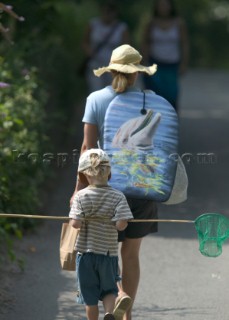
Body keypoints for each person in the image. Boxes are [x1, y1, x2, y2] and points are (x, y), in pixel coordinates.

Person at [70, 44, 158, 320]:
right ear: (136, 74)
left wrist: (78, 191)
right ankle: (126, 313)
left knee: (101, 251)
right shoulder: (150, 99)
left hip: (104, 189)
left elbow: (87, 150)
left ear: (110, 71)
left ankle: (113, 299)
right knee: (130, 254)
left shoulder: (95, 99)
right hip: (142, 187)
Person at [69, 148, 133, 320]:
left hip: (86, 255)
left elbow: (75, 224)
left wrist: (77, 218)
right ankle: (109, 313)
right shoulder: (118, 197)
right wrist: (116, 221)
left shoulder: (81, 197)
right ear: (108, 173)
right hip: (108, 253)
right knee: (109, 290)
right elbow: (121, 226)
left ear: (85, 175)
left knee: (89, 296)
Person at [141, 0, 189, 111]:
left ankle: (171, 122)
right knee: (154, 95)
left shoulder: (179, 23)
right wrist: (144, 62)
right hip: (155, 63)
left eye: (166, 5)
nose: (163, 8)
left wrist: (184, 63)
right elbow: (145, 43)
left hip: (172, 64)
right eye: (160, 5)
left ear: (171, 7)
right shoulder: (151, 23)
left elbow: (184, 44)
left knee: (172, 95)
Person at [81, 1, 130, 93]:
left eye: (111, 11)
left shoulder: (121, 28)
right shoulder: (93, 24)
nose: (108, 14)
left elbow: (126, 47)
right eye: (106, 11)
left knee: (112, 92)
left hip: (113, 67)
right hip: (96, 64)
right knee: (96, 91)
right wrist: (89, 52)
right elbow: (85, 42)